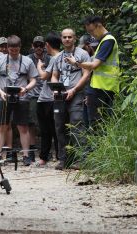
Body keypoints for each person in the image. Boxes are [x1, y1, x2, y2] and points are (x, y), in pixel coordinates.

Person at [0, 35, 39, 166]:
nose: (14, 52)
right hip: (3, 96)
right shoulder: (0, 60)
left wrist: (26, 88)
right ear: (7, 48)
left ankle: (26, 155)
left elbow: (34, 79)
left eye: (16, 50)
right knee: (1, 126)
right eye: (11, 50)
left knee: (23, 126)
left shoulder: (27, 61)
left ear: (20, 47)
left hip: (21, 97)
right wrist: (0, 92)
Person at [65, 16, 120, 127]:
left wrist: (76, 63)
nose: (91, 35)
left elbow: (94, 65)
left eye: (91, 31)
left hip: (102, 88)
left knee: (96, 124)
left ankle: (98, 144)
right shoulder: (103, 41)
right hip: (99, 87)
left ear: (98, 25)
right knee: (94, 122)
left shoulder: (108, 41)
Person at [51, 28, 91, 170]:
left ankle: (82, 159)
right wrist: (55, 88)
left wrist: (74, 90)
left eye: (70, 37)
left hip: (77, 93)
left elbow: (86, 74)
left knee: (76, 125)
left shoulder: (83, 54)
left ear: (74, 38)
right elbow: (54, 75)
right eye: (64, 37)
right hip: (61, 95)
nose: (67, 39)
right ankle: (64, 159)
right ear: (61, 39)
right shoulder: (58, 57)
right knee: (60, 126)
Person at [35, 31, 61, 166]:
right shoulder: (57, 57)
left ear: (47, 45)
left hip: (50, 99)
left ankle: (55, 156)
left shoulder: (56, 58)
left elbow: (44, 76)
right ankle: (46, 157)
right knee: (47, 130)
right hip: (44, 98)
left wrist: (39, 67)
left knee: (52, 129)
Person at [27, 36, 51, 161]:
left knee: (47, 124)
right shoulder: (28, 59)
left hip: (47, 95)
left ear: (45, 46)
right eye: (36, 45)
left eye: (41, 45)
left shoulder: (50, 58)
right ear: (33, 46)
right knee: (32, 123)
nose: (38, 48)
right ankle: (31, 150)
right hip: (32, 95)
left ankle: (46, 150)